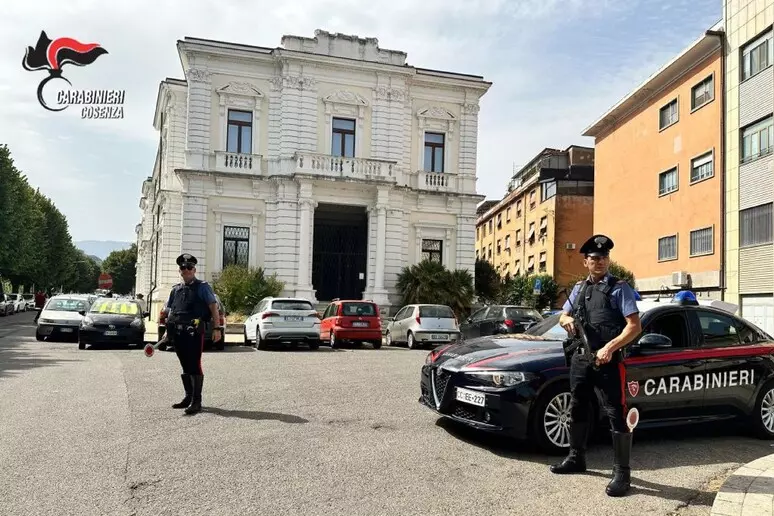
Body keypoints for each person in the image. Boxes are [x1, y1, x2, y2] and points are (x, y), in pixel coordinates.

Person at [549, 234, 642, 497]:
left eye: (604, 257)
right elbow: (563, 314)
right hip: (581, 358)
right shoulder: (579, 288)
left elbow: (634, 326)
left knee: (615, 412)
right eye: (594, 258)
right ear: (586, 262)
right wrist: (565, 320)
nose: (600, 262)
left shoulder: (619, 288)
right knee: (578, 406)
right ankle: (576, 457)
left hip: (608, 361)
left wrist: (610, 348)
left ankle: (622, 474)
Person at [162, 253, 222, 415]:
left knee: (195, 365)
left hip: (194, 332)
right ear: (180, 270)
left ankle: (197, 401)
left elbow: (213, 307)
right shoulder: (176, 290)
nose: (186, 270)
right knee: (184, 365)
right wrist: (167, 332)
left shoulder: (202, 286)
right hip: (178, 333)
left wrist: (217, 329)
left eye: (189, 267)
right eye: (183, 267)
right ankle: (188, 397)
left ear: (194, 270)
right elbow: (170, 311)